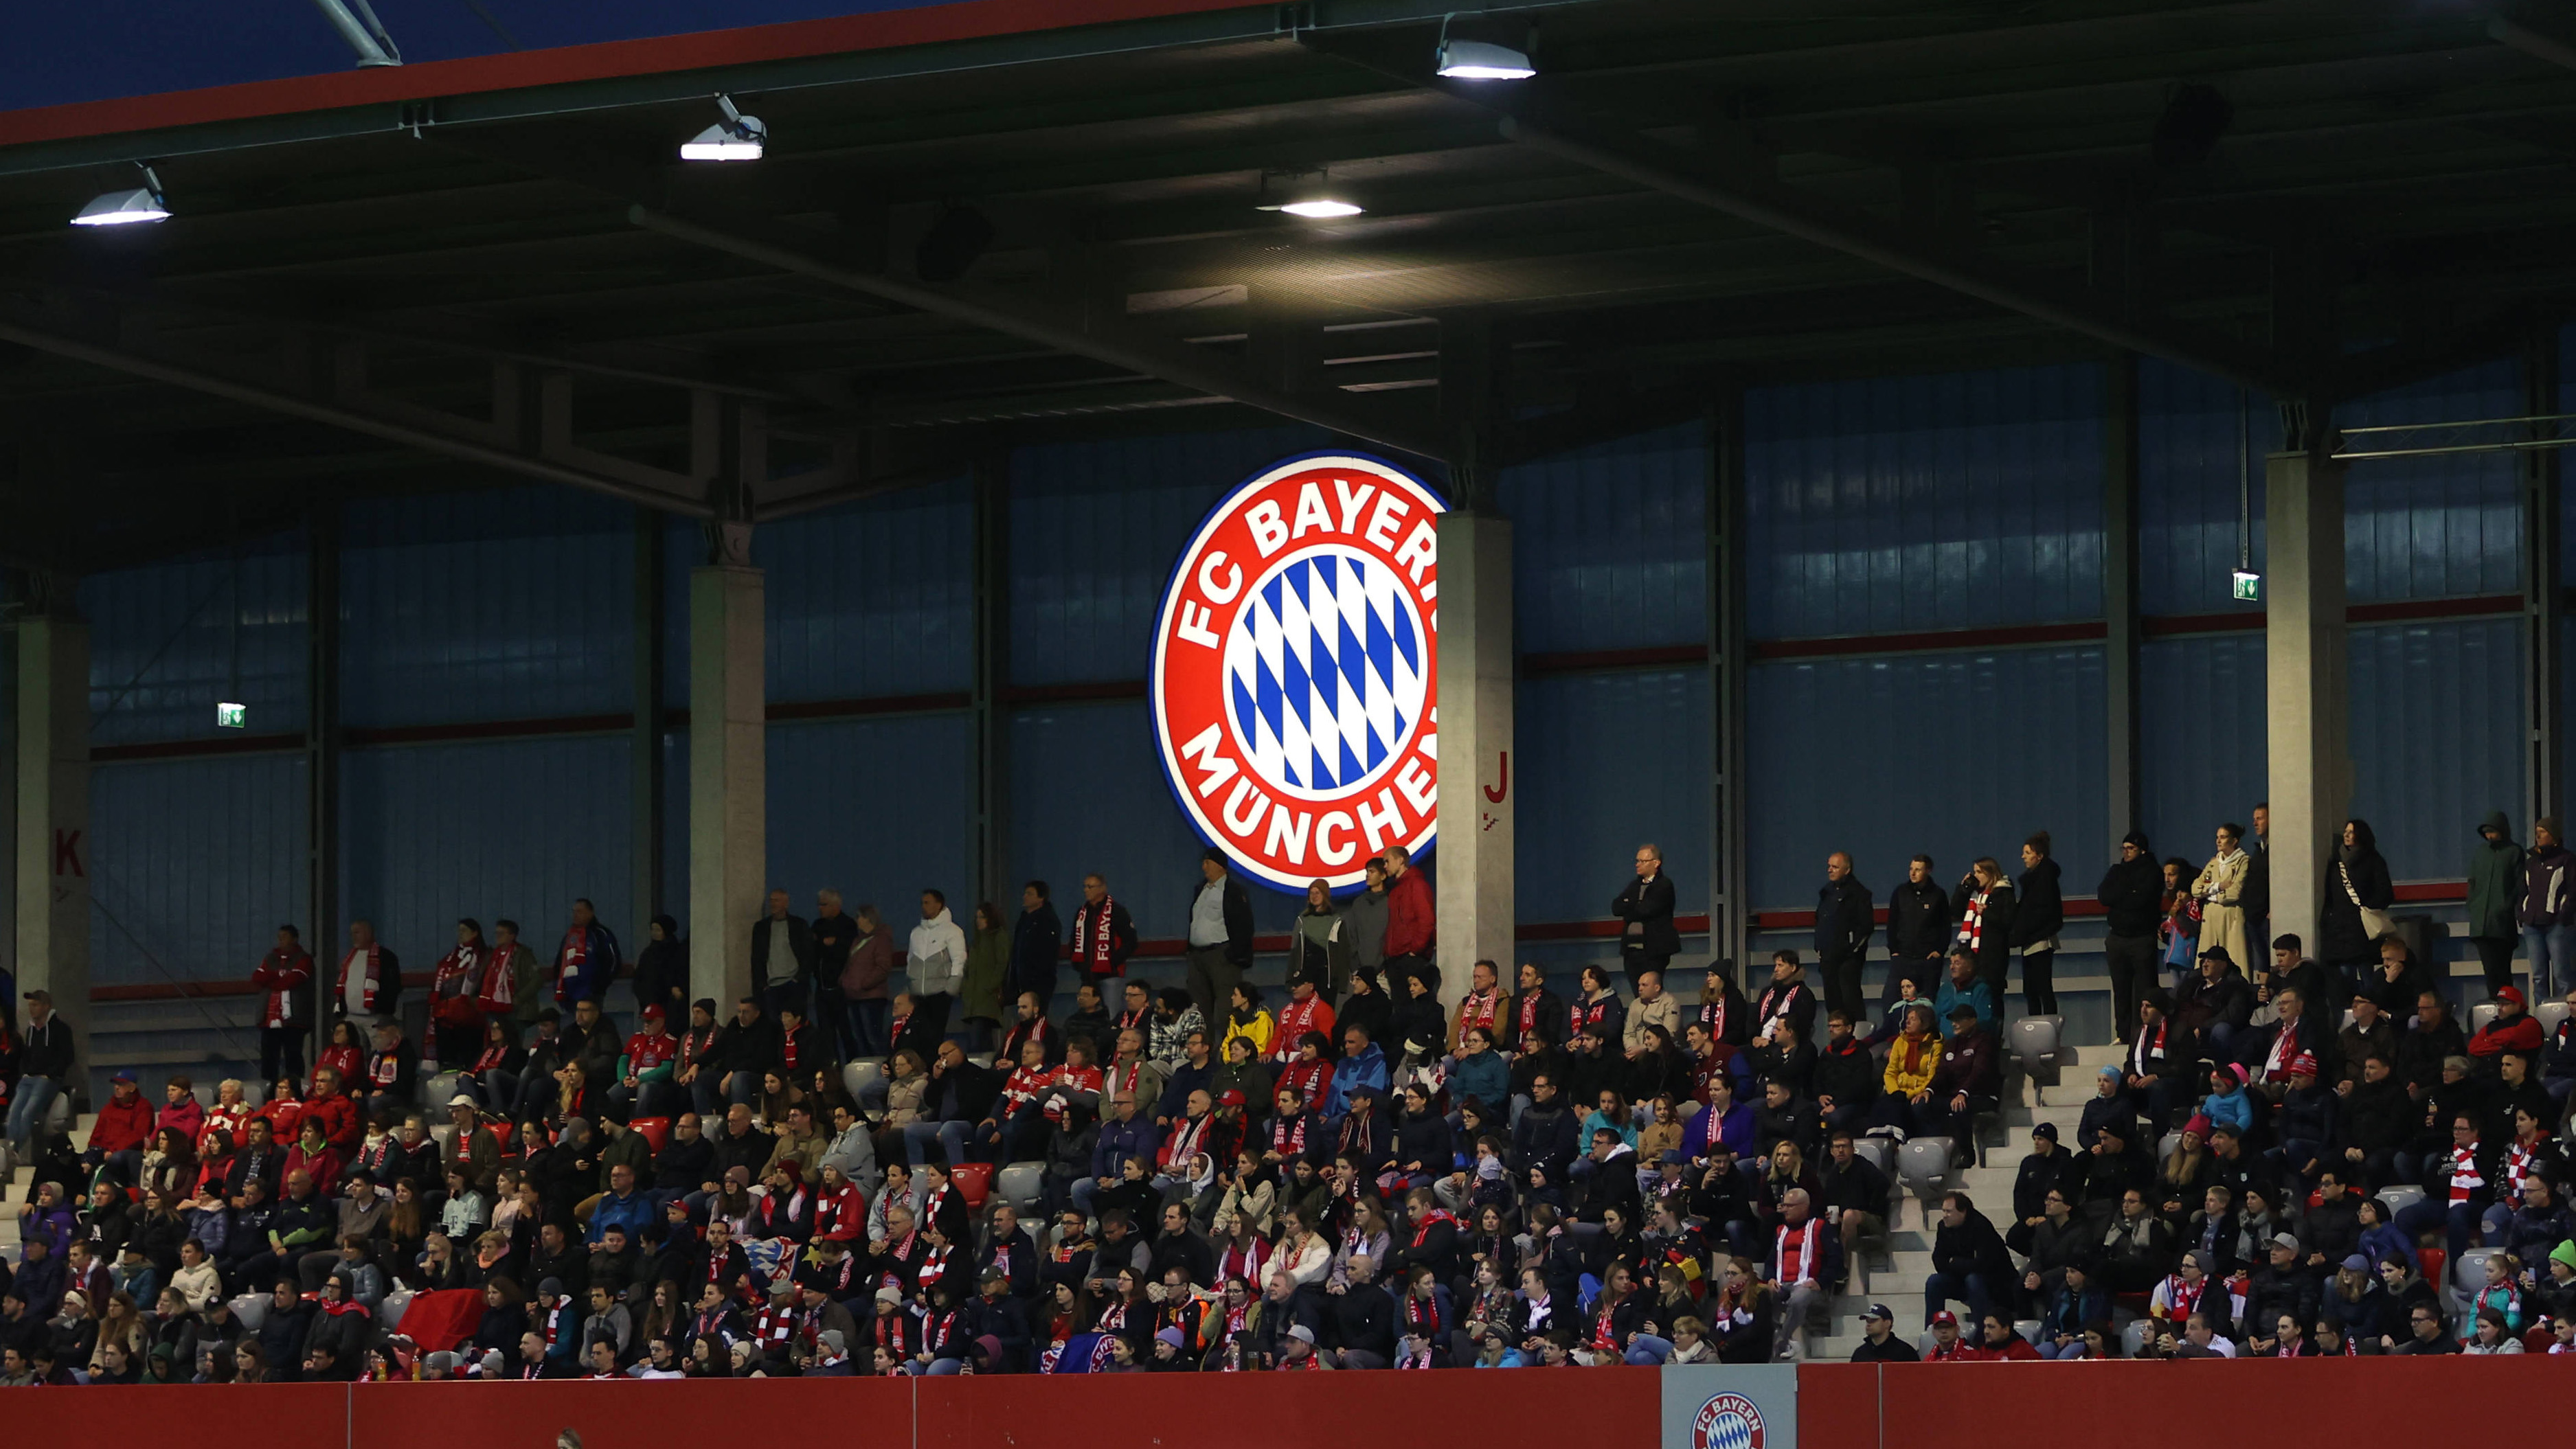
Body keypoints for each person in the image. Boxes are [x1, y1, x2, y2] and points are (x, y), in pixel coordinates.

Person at [2098, 832, 2161, 1045]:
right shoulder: (2117, 870)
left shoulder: (2152, 871)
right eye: (2123, 848)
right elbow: (2104, 896)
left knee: (2145, 988)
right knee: (2121, 989)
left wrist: (2123, 895)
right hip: (2117, 937)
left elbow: (2142, 899)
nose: (2126, 852)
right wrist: (2127, 893)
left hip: (2142, 937)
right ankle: (2123, 1033)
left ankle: (2145, 1031)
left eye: (2130, 848)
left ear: (2142, 849)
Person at [1184, 849, 1256, 1027]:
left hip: (1221, 956)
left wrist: (1232, 955)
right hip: (1197, 957)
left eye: (1207, 862)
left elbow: (1245, 925)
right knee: (1199, 1010)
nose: (1203, 867)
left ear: (1219, 865)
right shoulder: (1200, 889)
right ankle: (1204, 1051)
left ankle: (1228, 1050)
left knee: (1226, 1010)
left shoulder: (1234, 891)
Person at [2318, 819, 2394, 986]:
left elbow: (2385, 893)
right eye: (2346, 831)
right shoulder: (2335, 864)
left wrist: (2367, 906)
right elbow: (2330, 896)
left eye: (2351, 832)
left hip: (2363, 927)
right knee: (2345, 978)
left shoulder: (2373, 861)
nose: (2346, 835)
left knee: (2367, 975)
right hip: (2340, 928)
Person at [9, 990, 76, 1159]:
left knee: (28, 1112)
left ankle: (17, 1149)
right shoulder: (31, 1030)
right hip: (30, 1078)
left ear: (46, 1006)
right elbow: (26, 1055)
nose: (32, 1008)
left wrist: (51, 1074)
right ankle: (9, 1150)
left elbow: (67, 1056)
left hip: (48, 1079)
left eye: (36, 1004)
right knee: (14, 1111)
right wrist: (26, 1073)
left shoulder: (61, 1029)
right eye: (30, 1005)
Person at [1883, 855, 1953, 1014]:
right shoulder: (1900, 893)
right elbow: (1892, 923)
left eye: (1918, 869)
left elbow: (1945, 926)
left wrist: (1939, 951)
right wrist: (1894, 950)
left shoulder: (1938, 895)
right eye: (1911, 869)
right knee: (1890, 999)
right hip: (1902, 957)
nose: (1913, 873)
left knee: (1927, 1004)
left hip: (1928, 958)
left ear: (1928, 871)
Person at [2466, 812, 2524, 998]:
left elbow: (2520, 884)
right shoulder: (2481, 853)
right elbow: (2473, 881)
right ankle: (2497, 1004)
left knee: (2502, 970)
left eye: (2492, 831)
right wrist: (2473, 905)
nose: (2489, 836)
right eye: (2486, 832)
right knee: (2490, 970)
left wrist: (2506, 907)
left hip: (2502, 923)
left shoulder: (2514, 852)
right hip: (2481, 924)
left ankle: (2507, 1004)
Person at [1950, 859, 2015, 1020]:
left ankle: (1993, 1034)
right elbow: (1955, 912)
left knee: (1991, 996)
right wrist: (1963, 889)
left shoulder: (2003, 893)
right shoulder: (1973, 895)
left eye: (1979, 872)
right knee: (1969, 997)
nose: (1976, 876)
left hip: (1992, 956)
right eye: (1975, 871)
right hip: (1970, 955)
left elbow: (2008, 922)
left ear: (1990, 874)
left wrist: (1986, 913)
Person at [2191, 825, 2255, 985]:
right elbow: (2196, 889)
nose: (2219, 840)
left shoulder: (2243, 861)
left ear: (2234, 841)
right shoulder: (2214, 863)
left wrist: (2211, 895)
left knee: (2235, 957)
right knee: (2207, 958)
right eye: (2218, 836)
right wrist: (2217, 887)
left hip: (2231, 916)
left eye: (2224, 837)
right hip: (2210, 917)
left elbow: (2235, 892)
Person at [251, 925, 315, 1084]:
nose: (281, 940)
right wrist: (279, 975)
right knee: (268, 1055)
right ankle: (269, 1090)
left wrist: (272, 979)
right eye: (279, 936)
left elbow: (295, 979)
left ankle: (294, 1087)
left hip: (294, 1019)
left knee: (293, 1054)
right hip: (269, 1018)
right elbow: (257, 977)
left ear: (294, 939)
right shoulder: (271, 957)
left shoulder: (304, 958)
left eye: (285, 936)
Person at [1814, 851, 1873, 1021]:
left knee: (1850, 999)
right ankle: (1836, 1035)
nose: (1830, 870)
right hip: (1828, 957)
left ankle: (1857, 1037)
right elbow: (1820, 920)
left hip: (1848, 959)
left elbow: (1866, 927)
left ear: (1847, 870)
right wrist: (1819, 946)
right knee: (1832, 1001)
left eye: (1835, 867)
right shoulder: (1826, 893)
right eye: (1829, 866)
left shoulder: (1859, 894)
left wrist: (1852, 950)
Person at [1613, 843, 1681, 990]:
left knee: (1651, 991)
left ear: (1656, 863)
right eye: (1637, 861)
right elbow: (1616, 907)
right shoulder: (1634, 886)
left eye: (1642, 861)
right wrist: (1634, 905)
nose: (1638, 865)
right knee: (1638, 993)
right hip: (1631, 951)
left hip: (1653, 951)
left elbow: (1646, 910)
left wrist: (1631, 907)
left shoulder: (1664, 885)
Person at [2520, 817, 2575, 1000]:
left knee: (2561, 975)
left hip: (2556, 926)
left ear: (2554, 835)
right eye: (2537, 831)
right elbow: (2521, 891)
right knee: (2538, 976)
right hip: (2532, 926)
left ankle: (2566, 1017)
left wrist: (2563, 916)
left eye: (2543, 831)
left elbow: (2573, 890)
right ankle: (2543, 1020)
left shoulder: (2566, 859)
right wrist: (2522, 915)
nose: (2538, 835)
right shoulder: (2531, 863)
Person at [2012, 832, 2064, 1017]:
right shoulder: (2035, 880)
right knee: (2032, 990)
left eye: (2027, 852)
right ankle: (2036, 1028)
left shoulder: (2044, 881)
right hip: (2031, 940)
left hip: (2039, 940)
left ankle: (2048, 1028)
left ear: (2039, 856)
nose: (2023, 857)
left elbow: (2042, 913)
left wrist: (2022, 932)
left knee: (2041, 988)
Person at [1379, 845, 1435, 992]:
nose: (1385, 866)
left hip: (1411, 957)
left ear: (1400, 860)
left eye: (1387, 861)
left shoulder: (1417, 885)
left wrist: (1415, 951)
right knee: (1399, 1006)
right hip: (1395, 958)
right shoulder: (1395, 890)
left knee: (1412, 1006)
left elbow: (1427, 920)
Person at [750, 889, 815, 1016]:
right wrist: (762, 984)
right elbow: (756, 958)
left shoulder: (799, 925)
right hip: (771, 986)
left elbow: (809, 954)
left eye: (777, 900)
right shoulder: (761, 927)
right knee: (773, 1027)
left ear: (786, 903)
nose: (773, 904)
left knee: (797, 1024)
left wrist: (799, 978)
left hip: (794, 983)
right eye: (771, 900)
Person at [1010, 881, 1064, 1016]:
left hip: (1039, 980)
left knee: (1036, 1015)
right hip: (1022, 979)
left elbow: (1048, 953)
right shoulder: (1024, 920)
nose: (1025, 897)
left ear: (1041, 898)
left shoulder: (1048, 921)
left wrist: (1036, 973)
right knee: (1024, 1015)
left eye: (1030, 894)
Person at [333, 920, 401, 1026]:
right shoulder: (350, 958)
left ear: (368, 933)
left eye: (357, 933)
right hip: (351, 1017)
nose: (353, 937)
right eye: (352, 934)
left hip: (376, 1017)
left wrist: (384, 1009)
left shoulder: (385, 957)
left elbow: (393, 986)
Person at [1849, 1301, 1917, 1361]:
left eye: (1873, 1320)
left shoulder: (1905, 1352)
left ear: (1887, 1323)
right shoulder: (1860, 1354)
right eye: (1867, 1320)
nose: (1868, 1324)